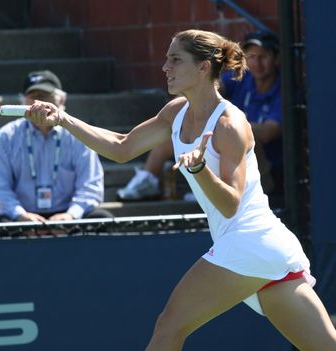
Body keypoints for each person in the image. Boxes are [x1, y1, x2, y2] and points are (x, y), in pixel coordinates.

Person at [26, 29, 336, 350]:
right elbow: (121, 147)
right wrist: (62, 118)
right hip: (266, 248)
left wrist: (200, 171)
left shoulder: (230, 124)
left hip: (249, 241)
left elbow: (230, 203)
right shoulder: (176, 111)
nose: (165, 67)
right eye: (166, 59)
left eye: (175, 59)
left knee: (169, 327)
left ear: (203, 67)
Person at [117, 30, 283, 201]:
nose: (257, 63)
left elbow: (269, 132)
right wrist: (190, 105)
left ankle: (209, 187)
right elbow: (210, 87)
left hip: (265, 170)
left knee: (224, 132)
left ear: (276, 58)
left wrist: (217, 123)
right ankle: (148, 180)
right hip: (221, 168)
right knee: (177, 128)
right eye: (253, 57)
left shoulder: (283, 91)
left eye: (263, 57)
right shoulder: (242, 79)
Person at [0, 70, 113, 222]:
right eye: (33, 97)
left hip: (68, 216)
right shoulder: (6, 136)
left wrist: (71, 215)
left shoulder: (79, 133)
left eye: (45, 96)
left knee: (102, 219)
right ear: (23, 102)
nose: (39, 104)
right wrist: (20, 215)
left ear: (62, 101)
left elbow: (91, 185)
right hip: (24, 216)